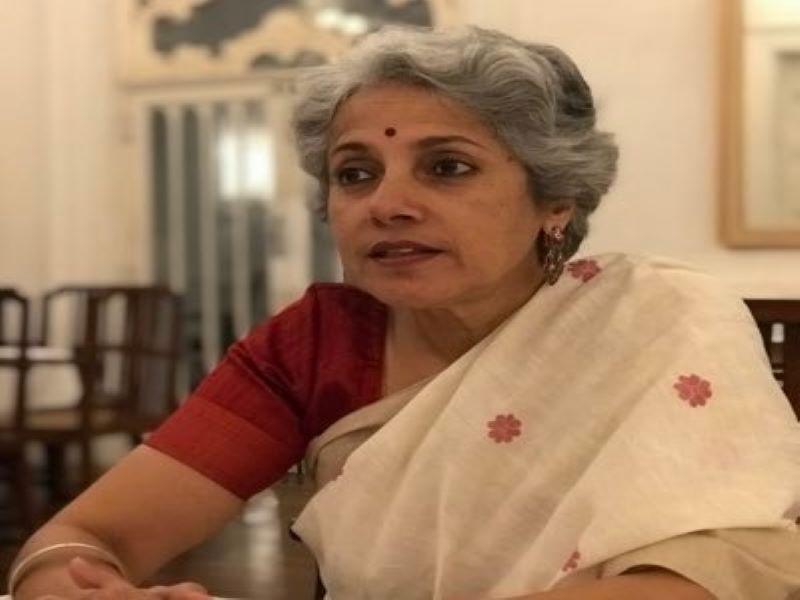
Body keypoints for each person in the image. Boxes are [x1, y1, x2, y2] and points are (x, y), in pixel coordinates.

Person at [8, 25, 800, 600]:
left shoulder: (660, 320)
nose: (386, 204)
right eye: (355, 174)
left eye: (446, 167)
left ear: (555, 199)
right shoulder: (316, 344)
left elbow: (723, 569)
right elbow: (78, 539)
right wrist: (77, 584)